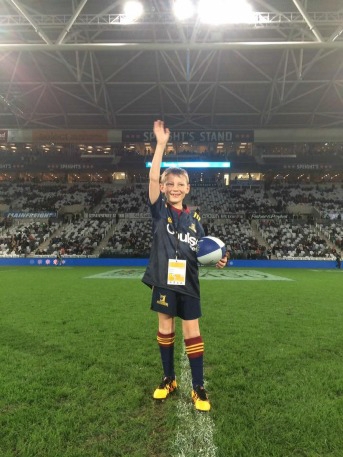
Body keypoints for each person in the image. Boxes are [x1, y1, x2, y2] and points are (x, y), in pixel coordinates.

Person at [142, 120, 228, 412]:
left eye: (181, 184)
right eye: (170, 184)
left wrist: (219, 259)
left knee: (192, 331)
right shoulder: (159, 210)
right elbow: (153, 178)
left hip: (189, 284)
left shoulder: (196, 223)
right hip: (165, 282)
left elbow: (202, 253)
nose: (175, 188)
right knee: (165, 327)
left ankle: (198, 386)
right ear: (164, 188)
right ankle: (169, 379)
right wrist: (161, 145)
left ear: (188, 188)